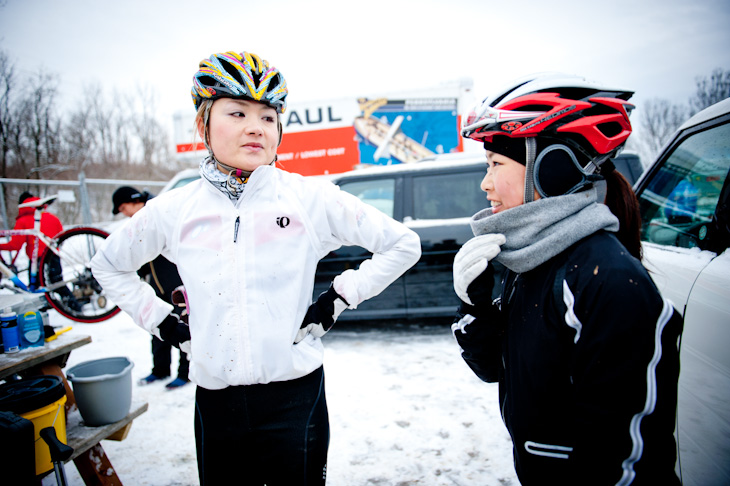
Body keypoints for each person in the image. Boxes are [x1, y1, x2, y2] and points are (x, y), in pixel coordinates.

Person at [91, 50, 421, 485]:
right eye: (237, 112)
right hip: (216, 402)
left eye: (268, 116)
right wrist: (165, 324)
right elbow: (108, 265)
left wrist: (338, 298)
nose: (255, 127)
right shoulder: (175, 209)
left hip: (295, 396)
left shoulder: (309, 198)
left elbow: (403, 244)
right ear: (203, 122)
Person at [450, 73, 683, 485]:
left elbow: (627, 463)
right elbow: (496, 369)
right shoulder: (534, 261)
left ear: (551, 169)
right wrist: (476, 308)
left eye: (495, 164)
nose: (485, 183)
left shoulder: (607, 282)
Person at [111, 186, 189, 389]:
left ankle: (185, 373)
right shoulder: (138, 222)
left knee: (183, 325)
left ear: (134, 201)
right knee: (158, 327)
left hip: (176, 282)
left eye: (123, 207)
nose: (124, 213)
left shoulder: (159, 212)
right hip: (156, 284)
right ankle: (160, 370)